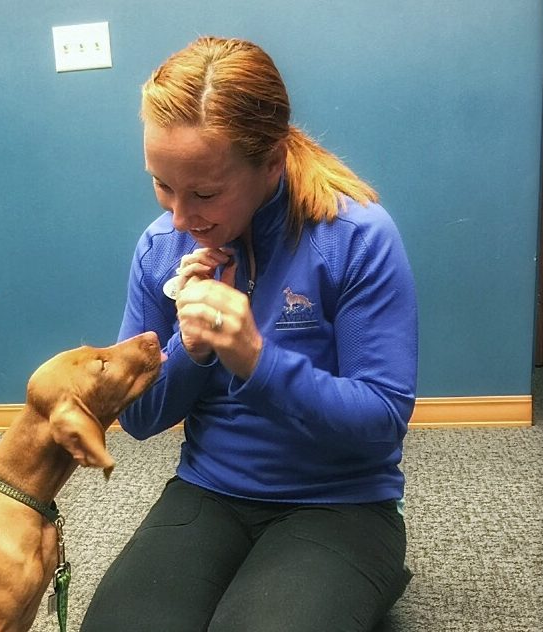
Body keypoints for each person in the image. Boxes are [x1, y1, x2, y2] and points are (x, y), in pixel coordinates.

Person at [80, 36, 417, 632]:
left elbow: (381, 421)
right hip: (211, 490)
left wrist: (256, 359)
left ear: (272, 160)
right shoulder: (163, 247)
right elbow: (136, 419)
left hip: (343, 501)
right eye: (162, 185)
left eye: (205, 193)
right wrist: (194, 347)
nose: (181, 218)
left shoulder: (357, 235)